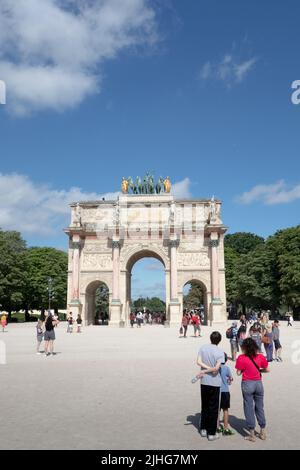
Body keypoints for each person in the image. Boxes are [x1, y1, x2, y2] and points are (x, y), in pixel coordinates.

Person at [235, 338, 269, 442]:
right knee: (260, 407)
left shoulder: (241, 358)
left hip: (247, 384)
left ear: (244, 347)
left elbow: (238, 373)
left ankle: (252, 434)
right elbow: (267, 369)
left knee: (248, 407)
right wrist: (258, 370)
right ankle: (263, 430)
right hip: (258, 383)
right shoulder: (260, 357)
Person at [197, 331, 224, 441]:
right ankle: (211, 433)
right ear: (219, 340)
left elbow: (198, 362)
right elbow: (216, 369)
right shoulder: (220, 352)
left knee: (205, 405)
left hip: (204, 381)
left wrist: (205, 369)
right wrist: (210, 369)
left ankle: (203, 429)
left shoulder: (203, 348)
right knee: (213, 408)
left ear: (210, 338)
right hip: (214, 382)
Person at [218, 353, 234, 435]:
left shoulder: (215, 368)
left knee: (217, 410)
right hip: (225, 391)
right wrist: (229, 380)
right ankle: (225, 428)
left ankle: (217, 427)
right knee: (225, 410)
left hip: (217, 391)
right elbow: (230, 380)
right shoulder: (227, 368)